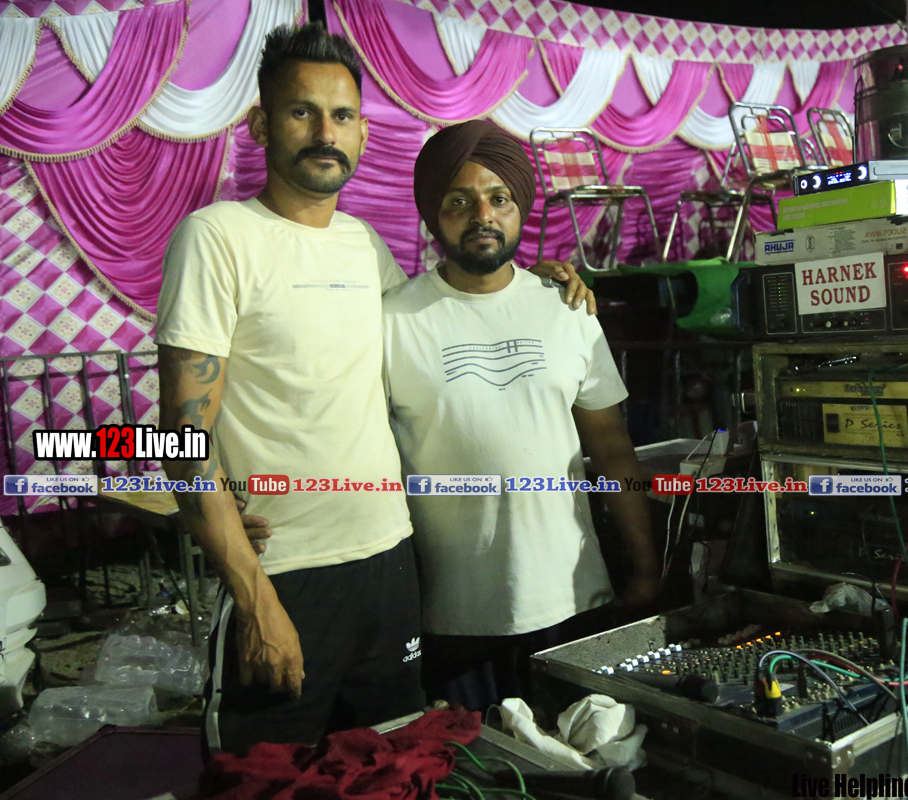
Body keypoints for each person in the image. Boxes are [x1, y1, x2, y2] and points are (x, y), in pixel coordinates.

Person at [156, 24, 593, 756]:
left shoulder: (365, 248)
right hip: (285, 572)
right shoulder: (216, 237)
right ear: (261, 124)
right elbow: (180, 433)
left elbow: (448, 309)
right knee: (266, 780)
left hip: (390, 564)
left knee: (391, 771)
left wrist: (533, 280)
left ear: (362, 132)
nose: (325, 133)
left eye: (343, 115)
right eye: (302, 112)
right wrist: (254, 597)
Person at [381, 121, 661, 710]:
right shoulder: (392, 322)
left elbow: (612, 448)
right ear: (434, 215)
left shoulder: (567, 308)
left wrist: (645, 568)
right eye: (460, 201)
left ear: (520, 209)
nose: (482, 215)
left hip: (572, 599)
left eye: (499, 198)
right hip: (451, 615)